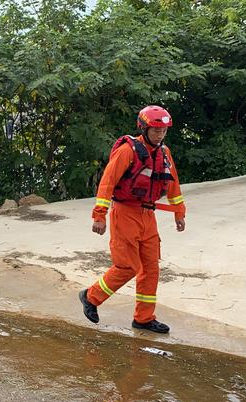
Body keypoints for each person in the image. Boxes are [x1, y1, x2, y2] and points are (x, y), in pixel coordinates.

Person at [79, 105, 186, 334]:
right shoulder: (128, 151)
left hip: (148, 216)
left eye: (164, 130)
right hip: (125, 213)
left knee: (150, 269)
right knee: (127, 266)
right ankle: (90, 297)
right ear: (144, 128)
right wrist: (99, 215)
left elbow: (173, 185)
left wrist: (179, 212)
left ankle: (144, 319)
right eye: (156, 130)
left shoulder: (164, 154)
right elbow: (107, 183)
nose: (160, 135)